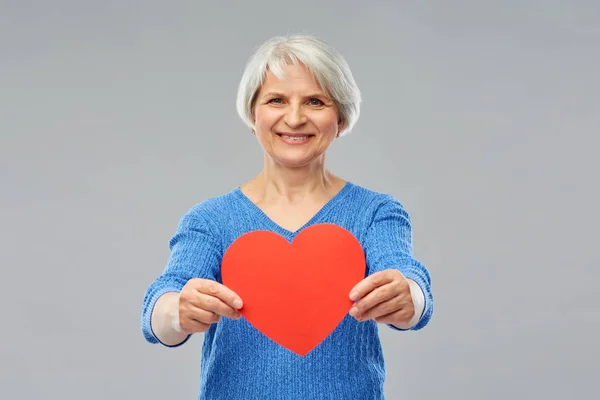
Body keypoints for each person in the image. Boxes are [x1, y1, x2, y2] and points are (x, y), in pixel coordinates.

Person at [141, 33, 434, 400]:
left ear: (340, 118)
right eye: (276, 100)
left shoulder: (375, 212)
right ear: (253, 113)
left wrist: (410, 297)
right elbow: (162, 300)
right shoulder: (211, 219)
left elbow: (407, 279)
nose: (294, 118)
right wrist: (176, 313)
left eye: (315, 101)